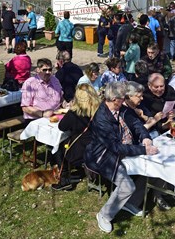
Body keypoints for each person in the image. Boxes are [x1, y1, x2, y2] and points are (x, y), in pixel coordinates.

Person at [85, 81, 159, 233]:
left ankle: (131, 202)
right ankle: (104, 215)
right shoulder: (101, 119)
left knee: (152, 169)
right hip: (104, 157)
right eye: (123, 97)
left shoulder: (122, 108)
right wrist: (143, 150)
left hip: (125, 151)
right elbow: (115, 148)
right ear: (115, 99)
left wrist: (145, 137)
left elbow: (137, 125)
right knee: (127, 186)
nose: (126, 99)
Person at [52, 83, 100, 191]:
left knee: (59, 150)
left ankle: (64, 180)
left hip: (81, 150)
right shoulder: (99, 110)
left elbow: (62, 126)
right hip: (98, 146)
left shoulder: (75, 113)